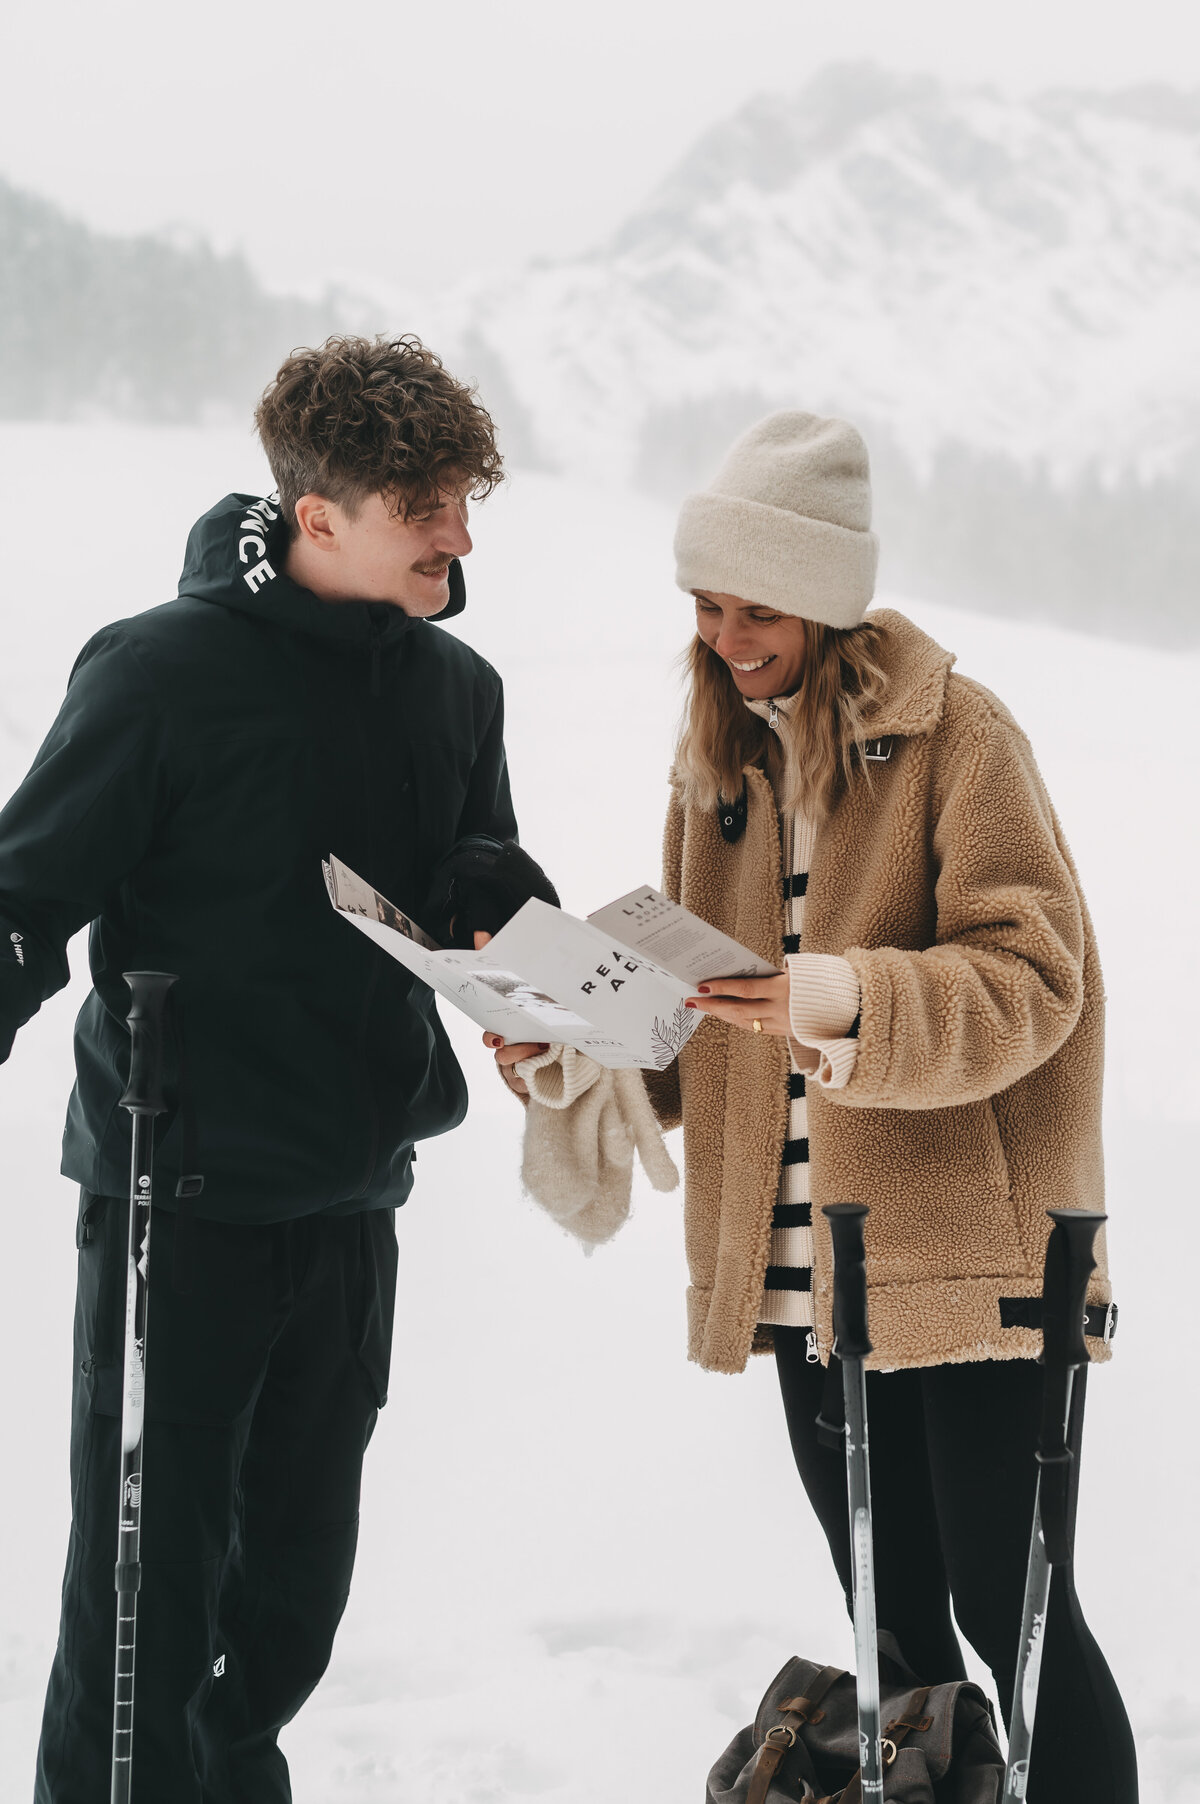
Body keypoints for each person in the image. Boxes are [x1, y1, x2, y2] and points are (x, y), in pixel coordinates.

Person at [489, 412, 1138, 1801]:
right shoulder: (716, 768)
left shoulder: (960, 736)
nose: (728, 637)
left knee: (1012, 1623)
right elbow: (698, 1027)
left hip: (972, 1265)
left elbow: (1038, 979)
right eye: (709, 607)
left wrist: (845, 995)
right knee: (890, 1628)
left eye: (759, 607)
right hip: (803, 1270)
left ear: (831, 600)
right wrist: (572, 1045)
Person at [0, 334, 543, 1803]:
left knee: (294, 1596)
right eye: (426, 506)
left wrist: (504, 913)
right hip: (183, 1198)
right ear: (320, 517)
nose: (460, 535)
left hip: (355, 1197)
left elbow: (467, 859)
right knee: (145, 1610)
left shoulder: (456, 686)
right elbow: (23, 891)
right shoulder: (160, 672)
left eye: (465, 501)